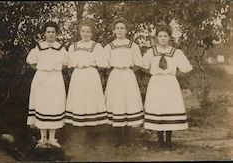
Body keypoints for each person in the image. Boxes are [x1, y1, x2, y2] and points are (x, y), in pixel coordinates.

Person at [142, 25, 193, 149]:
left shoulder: (176, 52)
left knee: (169, 109)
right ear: (156, 38)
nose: (163, 38)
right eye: (160, 36)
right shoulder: (151, 52)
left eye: (165, 36)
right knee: (158, 108)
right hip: (156, 83)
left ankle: (169, 141)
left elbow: (186, 68)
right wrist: (154, 73)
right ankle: (160, 141)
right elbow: (143, 66)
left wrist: (172, 74)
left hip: (170, 83)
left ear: (169, 38)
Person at [26, 21, 69, 148]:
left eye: (53, 32)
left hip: (55, 80)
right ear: (44, 33)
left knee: (54, 106)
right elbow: (32, 63)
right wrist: (43, 69)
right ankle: (43, 138)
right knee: (42, 105)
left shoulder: (61, 48)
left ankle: (52, 139)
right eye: (48, 32)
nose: (51, 34)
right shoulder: (39, 48)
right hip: (42, 80)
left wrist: (54, 68)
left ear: (56, 33)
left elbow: (66, 63)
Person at [103, 18, 144, 147]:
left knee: (128, 104)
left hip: (128, 76)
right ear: (114, 31)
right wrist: (115, 69)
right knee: (117, 104)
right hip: (115, 76)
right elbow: (104, 63)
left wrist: (129, 70)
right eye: (117, 28)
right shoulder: (109, 46)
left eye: (122, 28)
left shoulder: (133, 45)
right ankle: (118, 139)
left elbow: (138, 63)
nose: (120, 30)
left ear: (126, 30)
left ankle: (126, 139)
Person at [65, 19, 107, 128]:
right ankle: (79, 122)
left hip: (91, 74)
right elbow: (69, 64)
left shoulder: (96, 46)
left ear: (92, 33)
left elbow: (102, 63)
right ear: (80, 32)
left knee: (91, 98)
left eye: (88, 32)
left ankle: (92, 124)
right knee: (79, 98)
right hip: (78, 75)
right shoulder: (73, 47)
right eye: (83, 31)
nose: (85, 34)